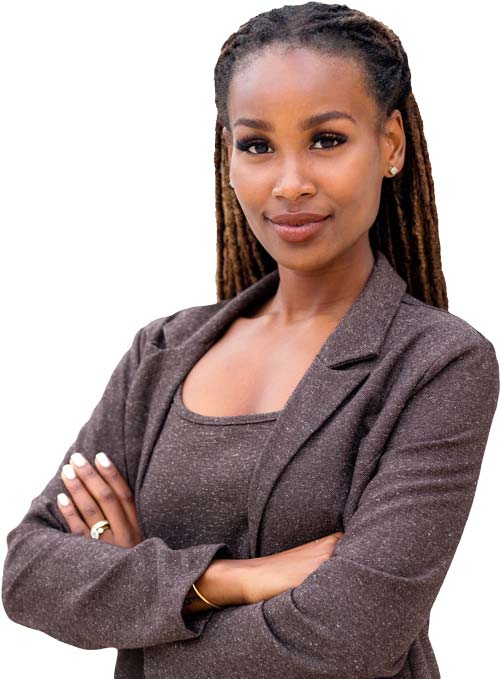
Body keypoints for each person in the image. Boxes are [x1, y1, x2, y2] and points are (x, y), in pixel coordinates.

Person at [2, 3, 499, 678]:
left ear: (390, 145)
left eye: (326, 139)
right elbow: (29, 571)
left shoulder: (439, 364)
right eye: (257, 145)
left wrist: (137, 603)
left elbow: (354, 630)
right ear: (228, 156)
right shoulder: (164, 351)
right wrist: (235, 578)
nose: (290, 182)